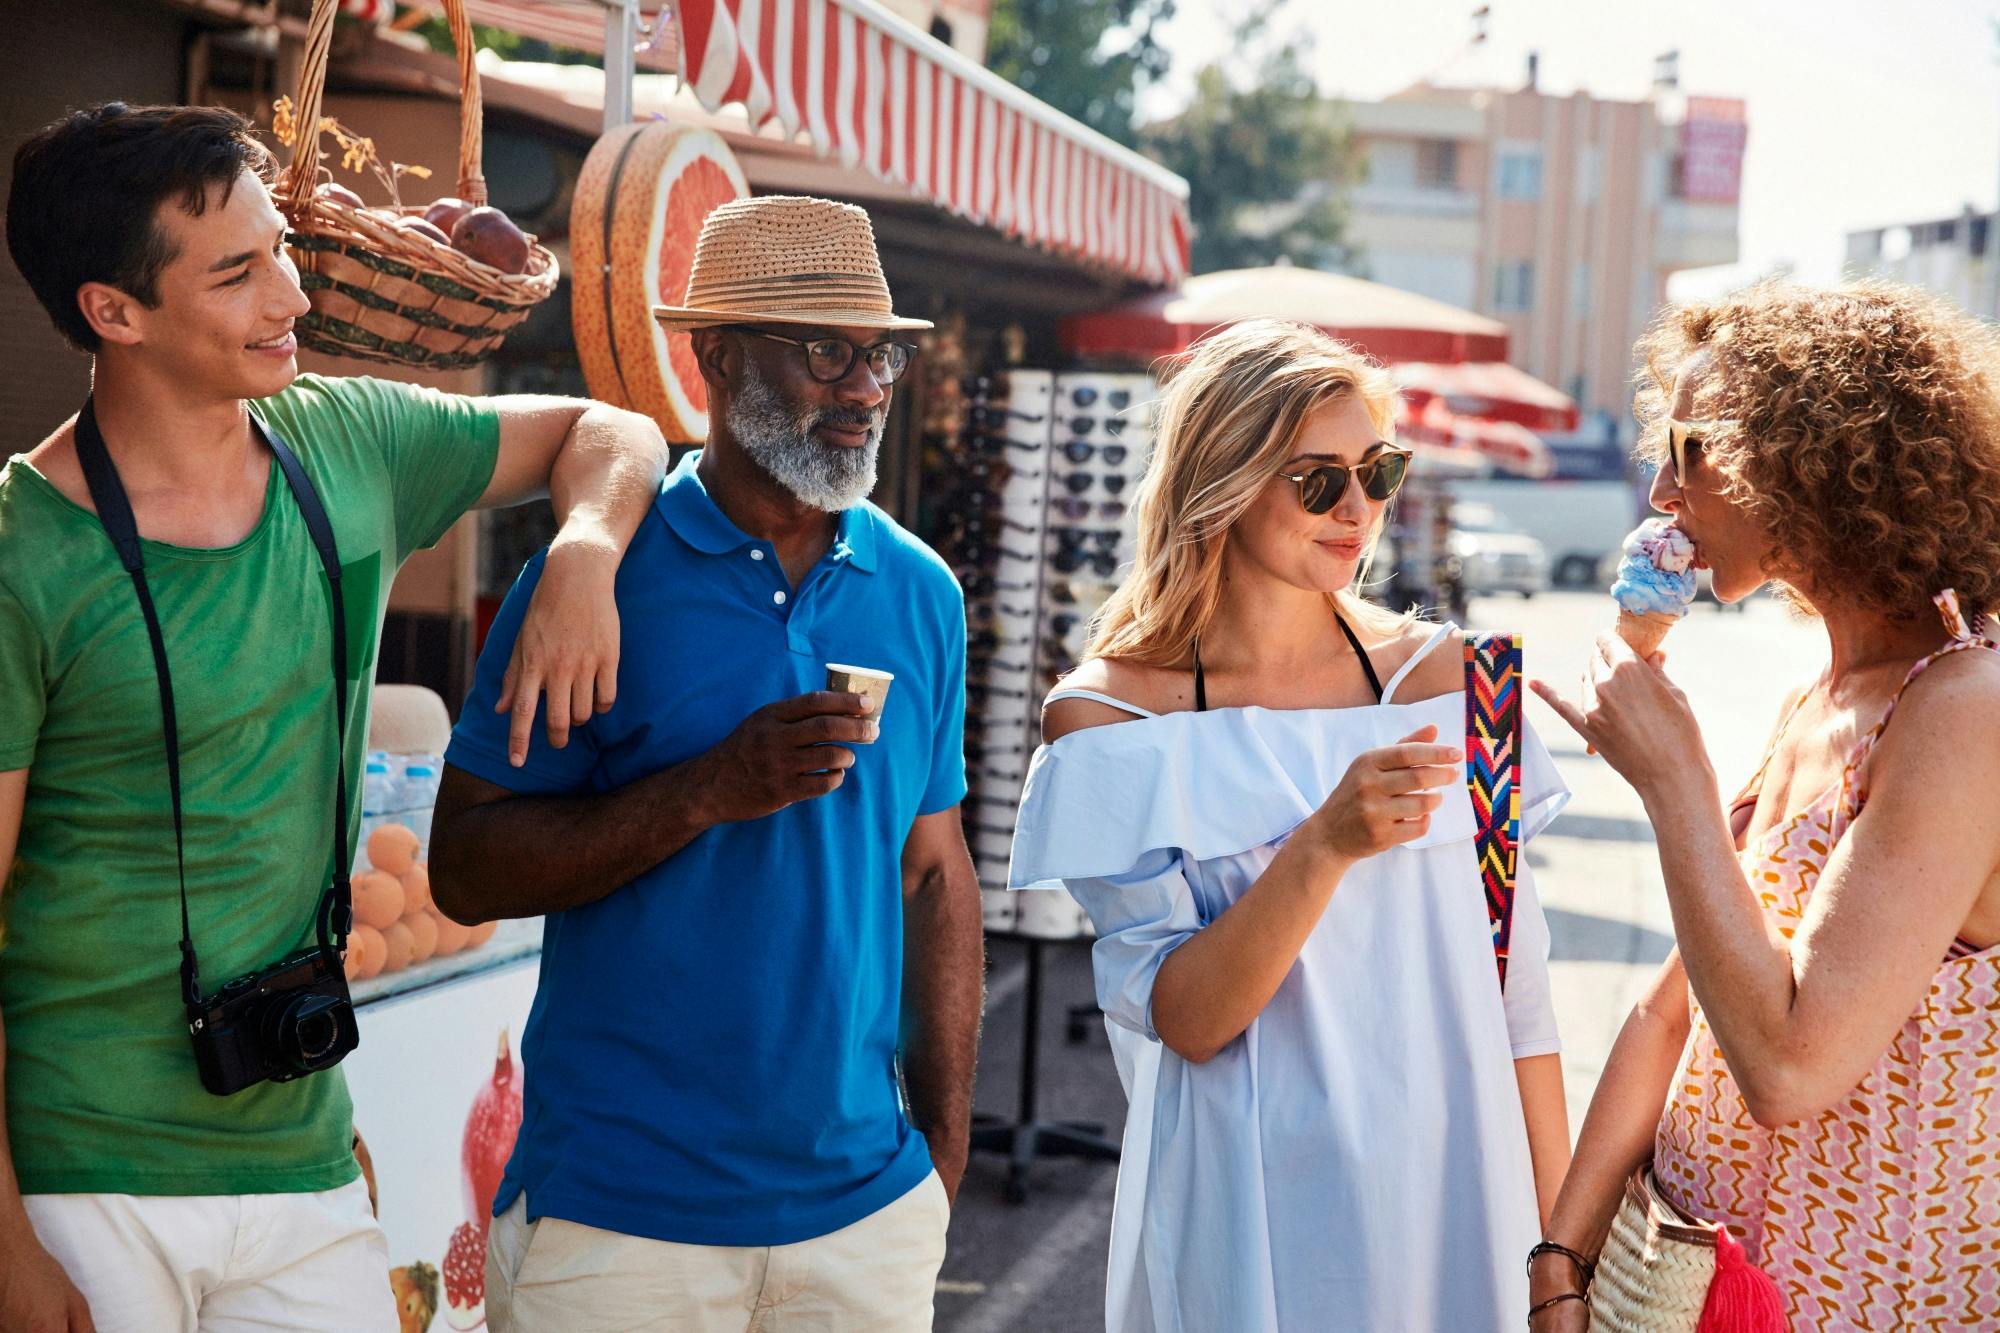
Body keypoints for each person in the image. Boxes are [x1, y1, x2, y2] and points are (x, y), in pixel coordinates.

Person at [0, 103, 668, 1333]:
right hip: (78, 1172)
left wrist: (581, 549)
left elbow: (609, 429)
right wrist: (5, 1240)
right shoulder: (19, 550)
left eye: (285, 253)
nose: (293, 298)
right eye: (241, 271)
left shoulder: (349, 441)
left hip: (298, 1151)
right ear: (114, 310)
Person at [427, 194, 981, 1333]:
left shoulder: (919, 590)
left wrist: (940, 1156)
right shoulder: (596, 575)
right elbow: (465, 869)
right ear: (717, 355)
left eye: (878, 354)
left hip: (861, 1218)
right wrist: (705, 789)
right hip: (621, 1219)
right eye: (827, 351)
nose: (867, 387)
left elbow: (932, 873)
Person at [1008, 318, 1574, 1332]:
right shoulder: (1111, 721)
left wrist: (1563, 1256)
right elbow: (1187, 1016)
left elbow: (1518, 999)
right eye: (1317, 479)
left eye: (1377, 470)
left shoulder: (1464, 684)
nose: (1356, 508)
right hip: (1245, 1211)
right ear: (1220, 480)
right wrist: (1319, 846)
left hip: (1459, 1189)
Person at [1527, 280, 2000, 1330]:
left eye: (1693, 451)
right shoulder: (1820, 698)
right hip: (1681, 1289)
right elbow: (1669, 1012)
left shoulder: (1967, 706)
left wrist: (1674, 784)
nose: (1660, 490)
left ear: (1814, 462)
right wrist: (1559, 1256)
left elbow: (1790, 1067)